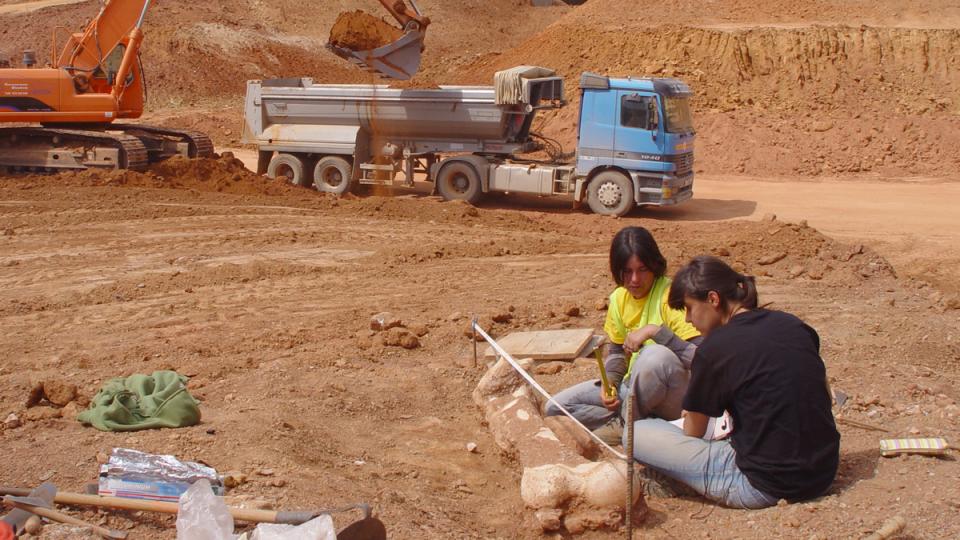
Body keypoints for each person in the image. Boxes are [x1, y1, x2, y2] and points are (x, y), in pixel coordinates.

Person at [626, 255, 840, 508]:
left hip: (762, 485)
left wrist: (693, 413)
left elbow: (693, 431)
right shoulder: (793, 324)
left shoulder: (715, 348)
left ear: (713, 299)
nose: (688, 320)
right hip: (824, 472)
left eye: (689, 308)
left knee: (636, 433)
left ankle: (684, 481)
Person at [545, 226, 701, 443]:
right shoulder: (619, 299)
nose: (635, 279)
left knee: (655, 355)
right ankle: (631, 424)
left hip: (672, 396)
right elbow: (618, 352)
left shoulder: (670, 296)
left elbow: (702, 359)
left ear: (655, 266)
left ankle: (629, 426)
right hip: (632, 392)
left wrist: (654, 331)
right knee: (555, 408)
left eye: (642, 269)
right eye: (627, 271)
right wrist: (610, 383)